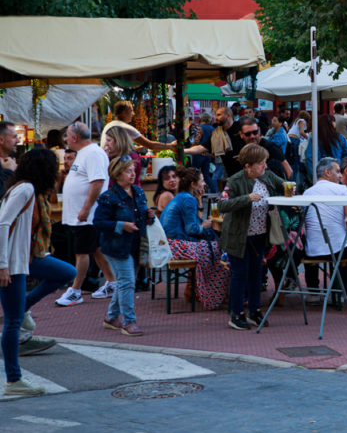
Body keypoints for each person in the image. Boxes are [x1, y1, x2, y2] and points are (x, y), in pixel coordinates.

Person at [1, 149, 67, 396]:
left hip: (19, 261)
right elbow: (2, 223)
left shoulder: (23, 188)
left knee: (64, 273)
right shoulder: (26, 190)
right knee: (12, 322)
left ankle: (25, 306)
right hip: (13, 263)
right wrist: (2, 265)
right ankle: (13, 381)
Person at [218, 143, 285, 331]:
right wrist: (246, 198)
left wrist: (289, 186)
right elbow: (222, 205)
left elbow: (283, 184)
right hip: (238, 236)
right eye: (261, 163)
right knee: (239, 274)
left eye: (265, 162)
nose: (265, 166)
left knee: (256, 273)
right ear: (248, 165)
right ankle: (236, 314)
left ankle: (255, 311)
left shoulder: (266, 176)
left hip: (259, 234)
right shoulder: (235, 181)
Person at [56, 122, 117, 307]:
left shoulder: (93, 153)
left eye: (67, 135)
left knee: (81, 252)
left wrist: (86, 209)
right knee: (96, 249)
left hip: (87, 216)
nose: (66, 139)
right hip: (82, 215)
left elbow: (97, 182)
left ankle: (75, 290)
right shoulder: (84, 153)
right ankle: (112, 282)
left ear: (75, 137)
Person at [94, 156, 152, 335]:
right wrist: (121, 225)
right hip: (117, 245)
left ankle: (111, 317)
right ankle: (129, 321)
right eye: (128, 171)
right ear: (117, 174)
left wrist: (149, 216)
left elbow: (142, 214)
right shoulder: (108, 197)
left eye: (133, 170)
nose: (133, 174)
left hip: (136, 244)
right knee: (127, 282)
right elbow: (99, 221)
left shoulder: (138, 192)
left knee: (125, 282)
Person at [160, 168, 225, 310]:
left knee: (214, 248)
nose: (204, 183)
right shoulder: (188, 199)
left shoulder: (183, 197)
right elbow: (193, 229)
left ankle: (198, 291)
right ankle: (212, 295)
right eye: (201, 180)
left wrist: (199, 202)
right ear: (193, 184)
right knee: (221, 253)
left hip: (170, 243)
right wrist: (207, 225)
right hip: (178, 246)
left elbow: (193, 223)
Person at [301, 158, 347, 303]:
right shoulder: (342, 190)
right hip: (337, 250)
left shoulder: (307, 193)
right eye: (337, 171)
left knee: (313, 237)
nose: (340, 176)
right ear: (327, 172)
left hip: (311, 250)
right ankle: (343, 292)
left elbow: (304, 223)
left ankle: (313, 292)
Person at [100, 99, 174, 154]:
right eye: (131, 111)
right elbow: (150, 145)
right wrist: (170, 145)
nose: (133, 114)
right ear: (123, 113)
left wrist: (133, 149)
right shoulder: (124, 127)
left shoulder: (110, 125)